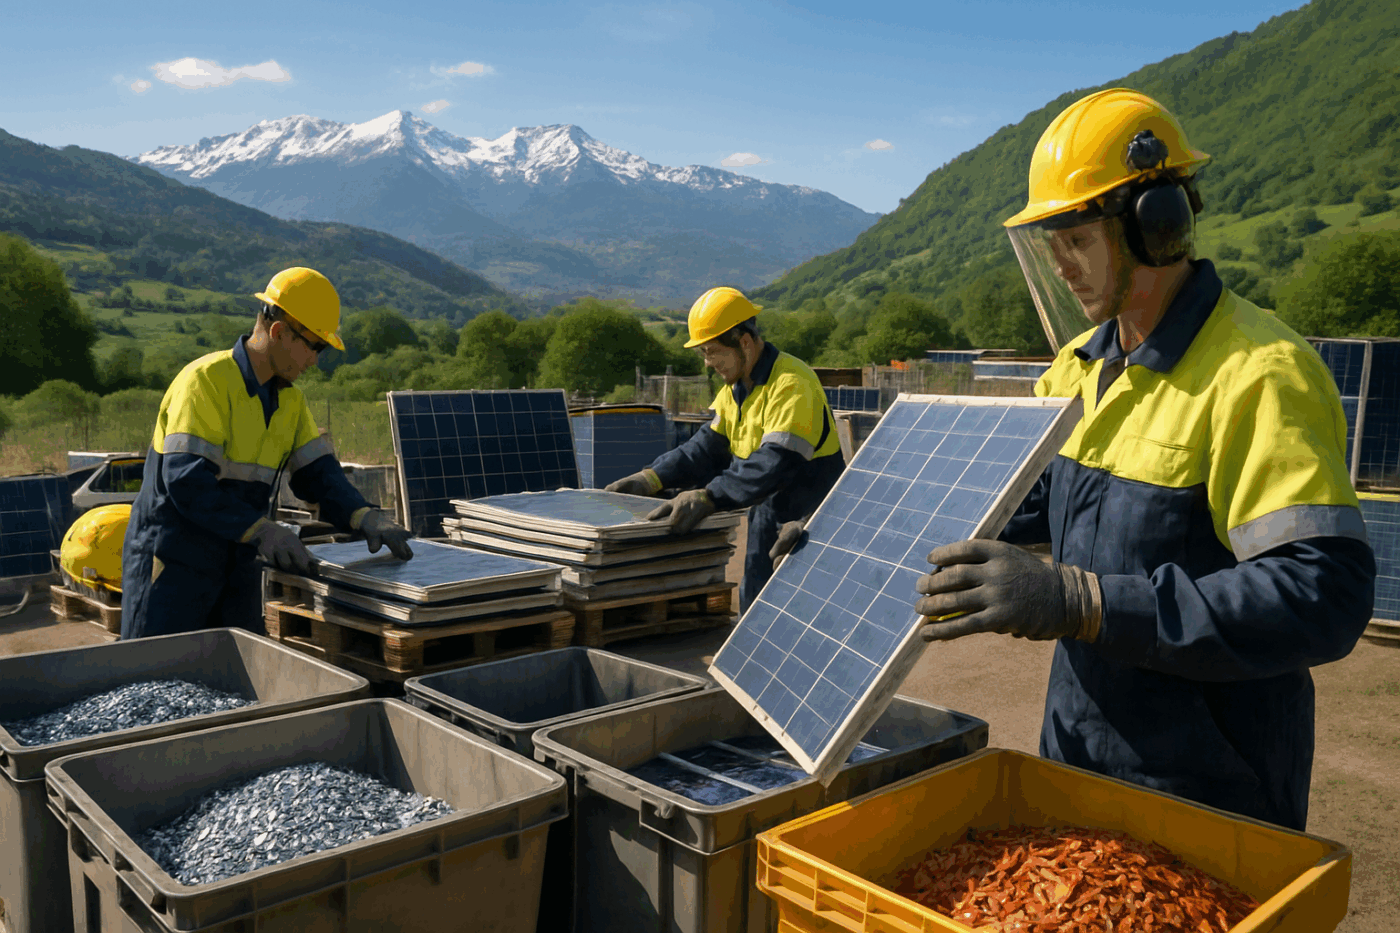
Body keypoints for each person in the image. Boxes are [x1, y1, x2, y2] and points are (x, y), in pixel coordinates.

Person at [912, 89, 1376, 831]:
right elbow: (1003, 502)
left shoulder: (1260, 372)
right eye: (1050, 245)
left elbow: (1322, 593)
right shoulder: (1076, 367)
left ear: (1155, 226)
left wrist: (1089, 602)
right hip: (1074, 763)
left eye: (1077, 239)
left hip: (1206, 796)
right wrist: (851, 531)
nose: (1062, 267)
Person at [121, 266, 413, 639]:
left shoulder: (290, 402)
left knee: (235, 677)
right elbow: (185, 482)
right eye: (315, 346)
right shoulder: (205, 382)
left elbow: (320, 477)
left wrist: (364, 515)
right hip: (173, 563)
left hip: (237, 563)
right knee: (154, 675)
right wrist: (262, 530)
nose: (315, 360)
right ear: (279, 332)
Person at [606, 287, 845, 613]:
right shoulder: (736, 390)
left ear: (744, 342)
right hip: (767, 513)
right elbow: (705, 448)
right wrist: (651, 478)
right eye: (703, 353)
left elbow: (773, 464)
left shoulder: (791, 383)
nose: (708, 363)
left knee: (804, 616)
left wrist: (709, 497)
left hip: (810, 520)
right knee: (755, 610)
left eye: (713, 351)